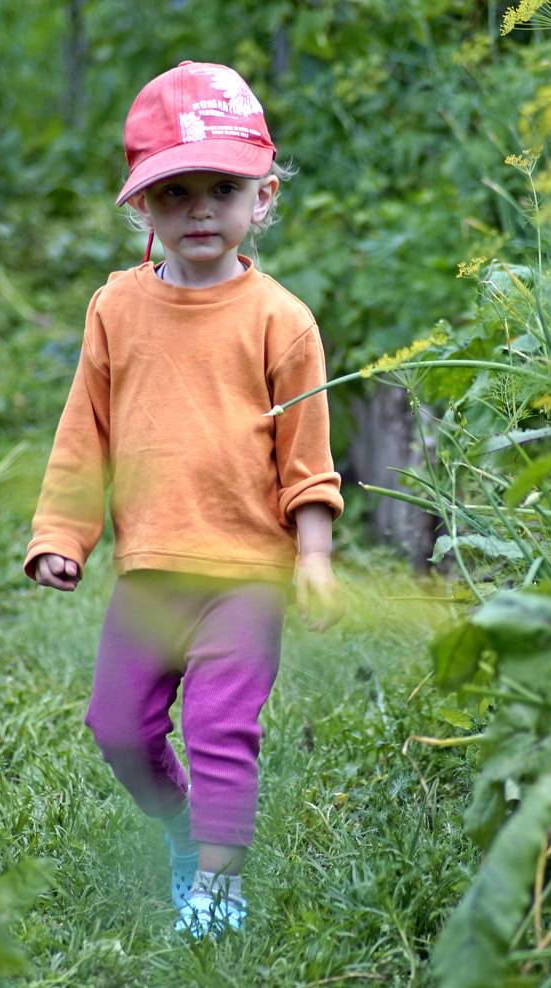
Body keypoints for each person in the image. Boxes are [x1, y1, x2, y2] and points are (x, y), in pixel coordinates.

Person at [23, 60, 345, 938]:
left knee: (219, 728)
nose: (200, 211)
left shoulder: (282, 321)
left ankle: (218, 888)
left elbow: (307, 462)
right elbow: (84, 433)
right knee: (117, 727)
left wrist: (313, 557)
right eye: (176, 193)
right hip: (151, 572)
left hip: (246, 574)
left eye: (223, 189)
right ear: (143, 207)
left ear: (263, 197)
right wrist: (62, 534)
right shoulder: (115, 310)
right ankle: (182, 827)